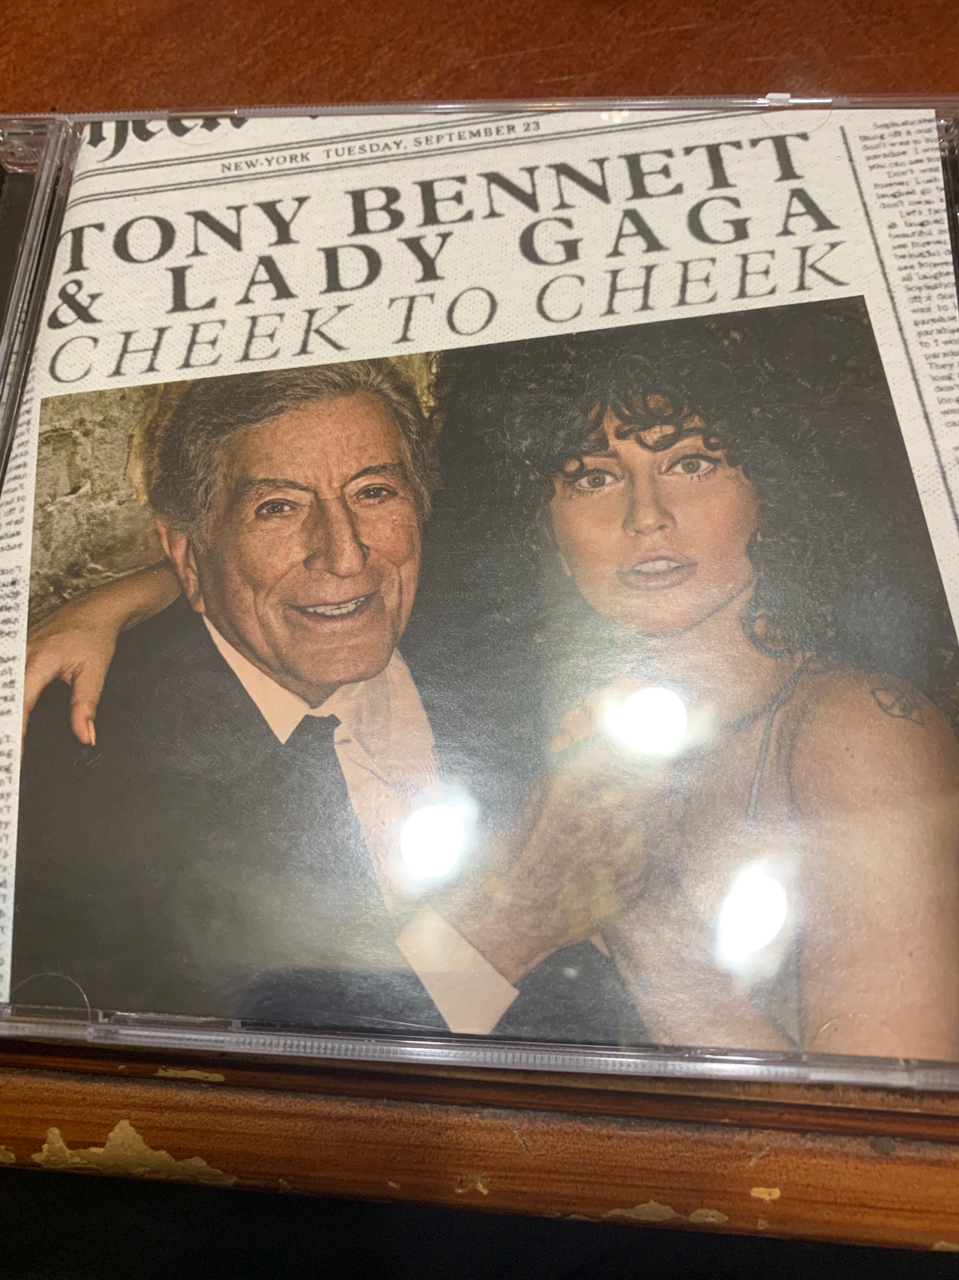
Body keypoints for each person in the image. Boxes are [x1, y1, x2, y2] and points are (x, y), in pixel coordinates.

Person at [23, 301, 959, 1059]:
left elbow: (876, 1151)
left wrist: (630, 909)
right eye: (592, 477)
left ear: (777, 483)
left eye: (692, 462)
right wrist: (133, 598)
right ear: (538, 508)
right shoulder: (87, 779)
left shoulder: (856, 732)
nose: (647, 518)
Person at [15, 360, 575, 1036]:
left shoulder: (501, 642)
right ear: (186, 554)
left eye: (374, 492)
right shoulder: (80, 787)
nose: (345, 554)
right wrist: (503, 937)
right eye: (278, 507)